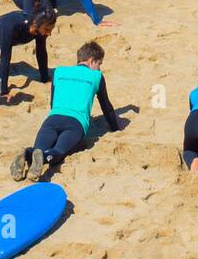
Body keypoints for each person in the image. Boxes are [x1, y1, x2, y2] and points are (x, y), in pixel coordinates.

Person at [11, 40, 122, 182]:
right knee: (58, 152)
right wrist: (115, 128)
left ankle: (26, 153)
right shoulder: (97, 77)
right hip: (76, 123)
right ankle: (44, 157)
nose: (99, 69)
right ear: (91, 60)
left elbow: (52, 102)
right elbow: (106, 107)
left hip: (53, 119)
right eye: (99, 64)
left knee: (37, 150)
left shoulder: (59, 72)